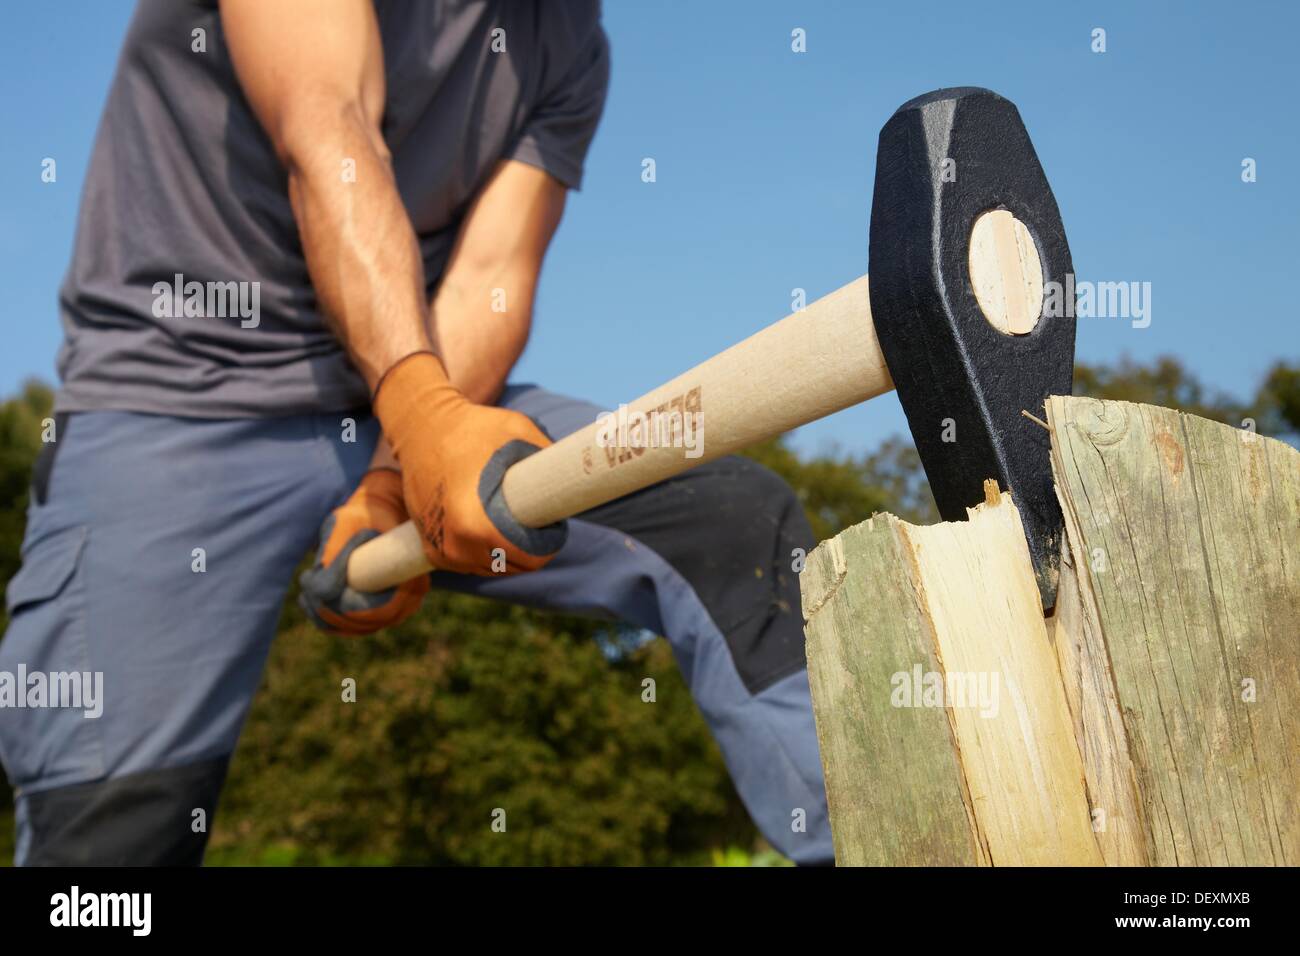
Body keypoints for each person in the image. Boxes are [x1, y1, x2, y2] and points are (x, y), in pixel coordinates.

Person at [0, 0, 832, 865]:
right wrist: (418, 408)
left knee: (731, 524)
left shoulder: (568, 41)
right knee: (117, 839)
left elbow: (488, 277)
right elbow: (330, 130)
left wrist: (399, 470)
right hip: (177, 401)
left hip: (406, 396)